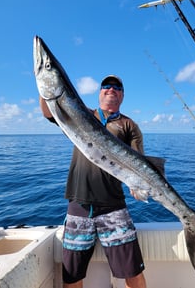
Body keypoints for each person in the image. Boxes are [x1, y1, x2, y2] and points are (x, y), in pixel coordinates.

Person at [39, 75, 147, 288]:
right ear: (99, 92)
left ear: (122, 95)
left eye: (117, 87)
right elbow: (48, 112)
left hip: (113, 206)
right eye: (106, 86)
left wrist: (138, 184)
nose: (111, 89)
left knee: (133, 273)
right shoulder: (82, 115)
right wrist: (44, 85)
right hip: (79, 205)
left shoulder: (129, 125)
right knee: (71, 276)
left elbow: (139, 163)